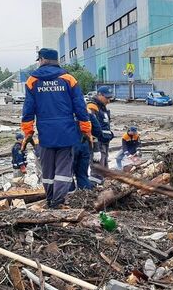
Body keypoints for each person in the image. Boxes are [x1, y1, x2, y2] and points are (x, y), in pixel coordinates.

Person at [21, 48, 91, 208]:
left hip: (45, 133)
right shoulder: (69, 79)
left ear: (43, 59)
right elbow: (80, 107)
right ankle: (58, 201)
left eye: (39, 59)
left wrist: (28, 132)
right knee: (63, 168)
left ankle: (50, 198)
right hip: (67, 132)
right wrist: (86, 129)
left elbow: (28, 109)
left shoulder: (32, 80)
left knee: (48, 168)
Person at [87, 86, 115, 185]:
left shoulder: (102, 108)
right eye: (107, 98)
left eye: (110, 98)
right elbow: (92, 129)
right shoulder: (92, 107)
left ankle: (104, 192)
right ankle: (93, 193)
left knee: (104, 170)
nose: (109, 101)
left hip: (104, 143)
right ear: (99, 95)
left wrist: (110, 135)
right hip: (98, 144)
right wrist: (96, 149)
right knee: (97, 172)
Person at [72, 106, 103, 189]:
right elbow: (97, 131)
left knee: (67, 175)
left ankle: (68, 199)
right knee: (82, 175)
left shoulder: (64, 110)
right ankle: (85, 197)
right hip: (84, 146)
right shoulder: (86, 111)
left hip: (69, 147)